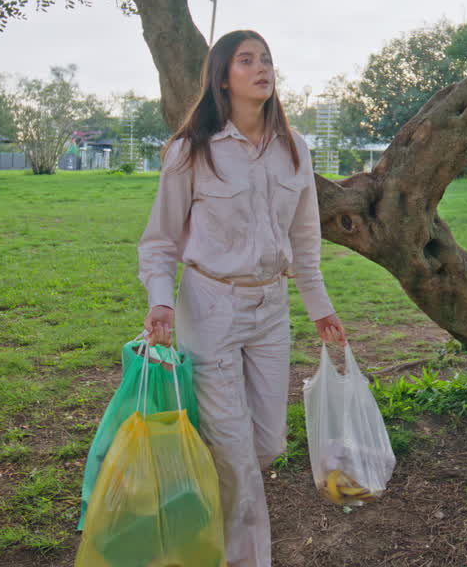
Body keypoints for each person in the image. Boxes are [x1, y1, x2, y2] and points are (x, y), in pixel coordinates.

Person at [137, 29, 346, 567]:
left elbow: (305, 241)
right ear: (223, 78)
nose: (262, 68)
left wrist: (320, 309)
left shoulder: (294, 150)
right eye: (246, 60)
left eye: (267, 59)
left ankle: (199, 504)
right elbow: (160, 241)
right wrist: (161, 300)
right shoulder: (192, 152)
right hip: (209, 307)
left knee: (267, 445)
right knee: (235, 453)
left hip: (271, 311)